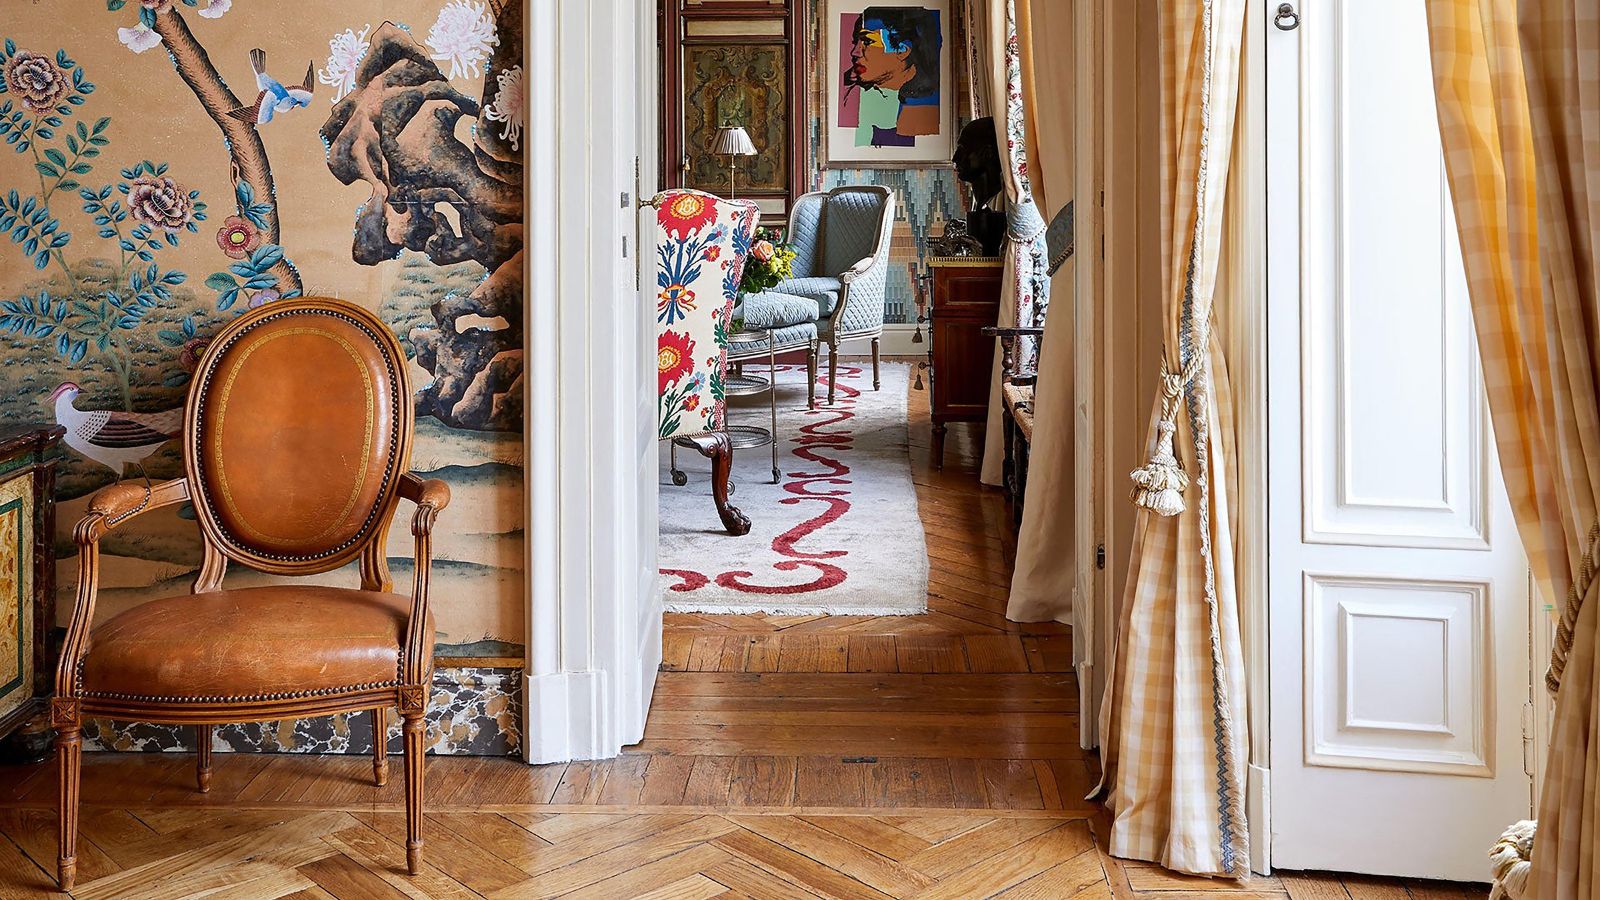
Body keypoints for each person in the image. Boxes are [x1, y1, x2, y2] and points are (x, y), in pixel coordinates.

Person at [845, 6, 942, 148]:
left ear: (902, 50)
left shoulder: (925, 108)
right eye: (856, 42)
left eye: (867, 41)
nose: (855, 52)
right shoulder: (852, 95)